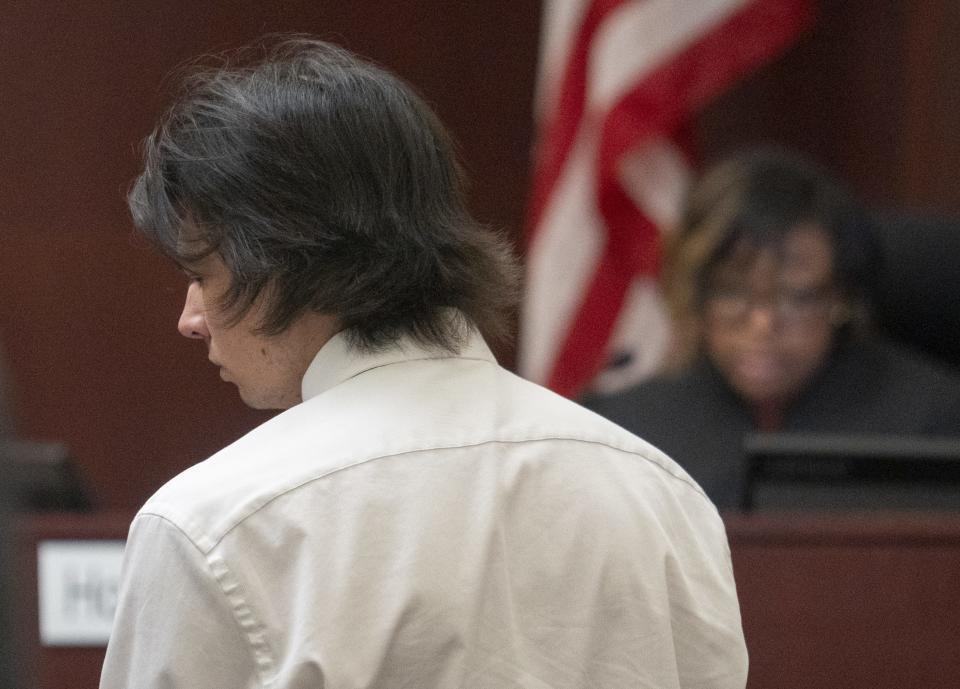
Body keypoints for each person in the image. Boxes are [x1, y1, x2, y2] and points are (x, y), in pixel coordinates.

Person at [99, 37, 747, 689]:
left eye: (201, 274)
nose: (190, 317)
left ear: (280, 260)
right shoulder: (664, 494)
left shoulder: (213, 526)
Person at [585, 148, 960, 509]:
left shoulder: (934, 421)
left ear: (842, 297)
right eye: (732, 294)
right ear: (697, 295)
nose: (763, 324)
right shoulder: (622, 431)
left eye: (796, 298)